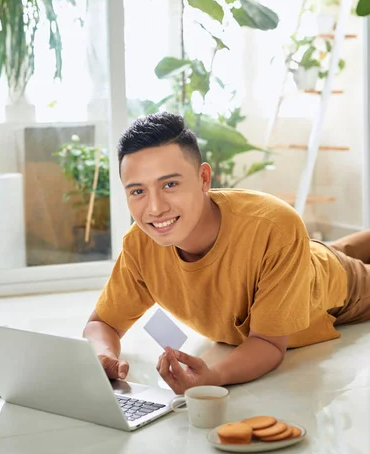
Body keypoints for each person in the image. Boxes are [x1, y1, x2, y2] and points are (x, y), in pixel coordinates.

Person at [83, 112, 370, 394]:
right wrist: (102, 356)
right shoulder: (140, 245)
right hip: (299, 254)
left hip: (338, 282)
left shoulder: (274, 227)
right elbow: (102, 323)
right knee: (329, 249)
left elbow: (268, 344)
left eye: (169, 184)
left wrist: (213, 375)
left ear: (204, 178)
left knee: (335, 259)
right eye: (137, 192)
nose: (155, 208)